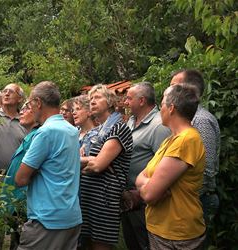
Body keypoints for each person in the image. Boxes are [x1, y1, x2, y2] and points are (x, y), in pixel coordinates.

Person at [136, 84, 206, 249]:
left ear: (171, 108)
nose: (160, 108)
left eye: (162, 103)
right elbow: (141, 177)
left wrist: (147, 186)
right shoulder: (171, 140)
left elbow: (149, 195)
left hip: (177, 234)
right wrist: (148, 184)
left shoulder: (185, 141)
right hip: (163, 230)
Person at [15, 81, 82, 250]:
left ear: (38, 102)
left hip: (47, 220)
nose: (29, 108)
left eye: (29, 104)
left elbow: (21, 178)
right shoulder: (71, 130)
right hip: (71, 216)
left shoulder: (45, 132)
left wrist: (36, 170)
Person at [79, 84, 133, 250]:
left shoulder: (118, 127)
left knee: (100, 245)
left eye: (98, 97)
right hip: (89, 197)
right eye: (91, 99)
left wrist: (83, 161)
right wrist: (89, 160)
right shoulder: (96, 132)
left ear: (110, 102)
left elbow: (96, 166)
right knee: (87, 243)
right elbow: (91, 163)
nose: (92, 101)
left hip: (104, 199)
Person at [122, 82, 170, 250]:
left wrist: (143, 193)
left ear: (141, 101)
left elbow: (164, 166)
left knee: (146, 244)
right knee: (132, 243)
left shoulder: (159, 126)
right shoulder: (130, 121)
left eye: (129, 98)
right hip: (128, 198)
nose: (125, 102)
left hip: (146, 201)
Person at [170, 69, 220, 231]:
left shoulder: (201, 121)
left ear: (189, 89)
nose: (169, 91)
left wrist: (177, 196)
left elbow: (206, 170)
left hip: (196, 201)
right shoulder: (186, 119)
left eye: (173, 86)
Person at [1, 100, 40, 250]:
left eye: (27, 109)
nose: (21, 112)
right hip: (15, 202)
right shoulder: (29, 136)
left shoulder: (38, 137)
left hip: (24, 204)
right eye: (21, 109)